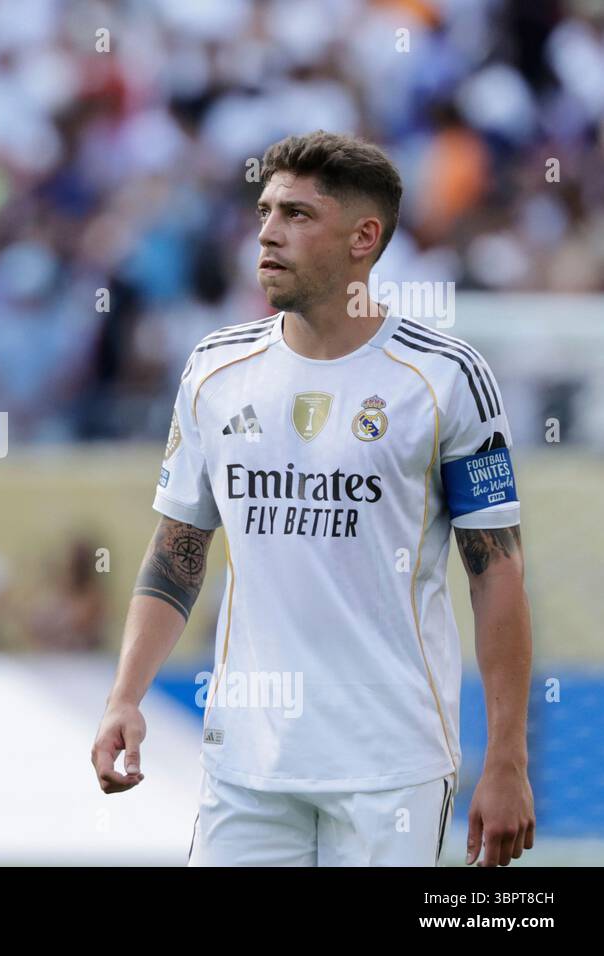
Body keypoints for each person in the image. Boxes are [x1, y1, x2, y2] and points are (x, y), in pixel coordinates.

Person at [91, 131, 535, 867]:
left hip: (393, 767)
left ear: (364, 237)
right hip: (248, 765)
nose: (266, 231)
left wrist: (508, 758)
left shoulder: (447, 378)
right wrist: (125, 695)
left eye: (297, 215)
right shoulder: (215, 370)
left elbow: (496, 573)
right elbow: (177, 553)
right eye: (265, 210)